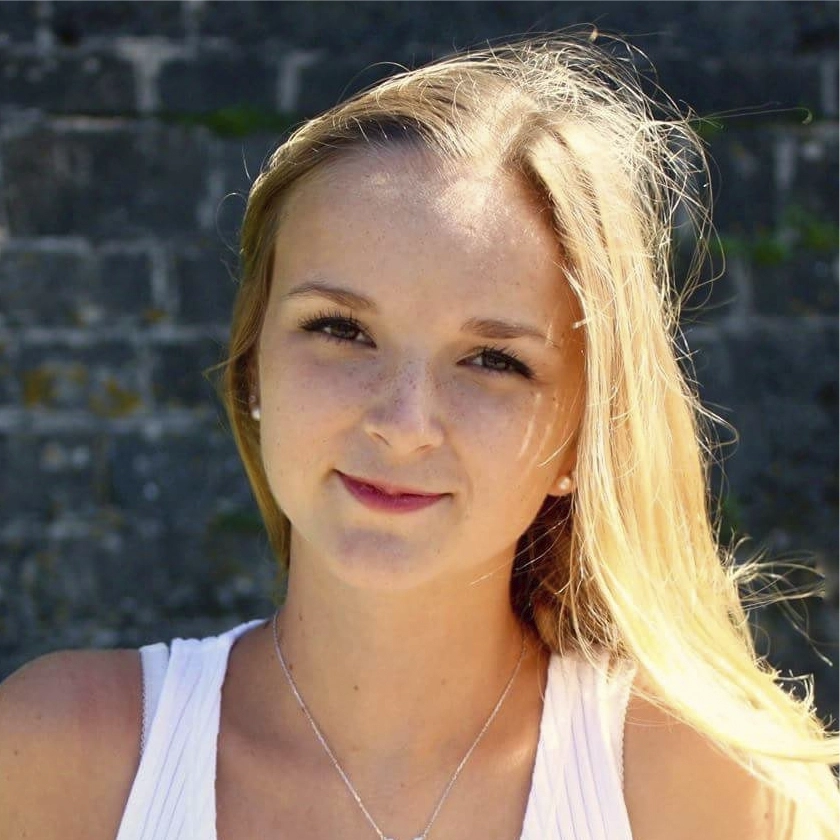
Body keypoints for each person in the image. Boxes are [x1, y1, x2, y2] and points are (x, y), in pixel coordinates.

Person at [0, 32, 836, 840]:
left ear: (583, 434)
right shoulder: (56, 756)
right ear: (252, 366)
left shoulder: (708, 787)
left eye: (493, 361)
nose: (402, 425)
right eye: (340, 329)